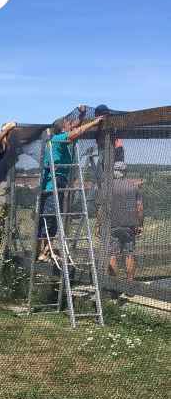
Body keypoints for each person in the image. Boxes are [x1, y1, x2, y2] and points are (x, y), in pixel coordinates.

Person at [37, 113, 104, 261]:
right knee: (50, 216)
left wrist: (82, 114)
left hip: (59, 181)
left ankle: (48, 250)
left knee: (54, 216)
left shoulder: (57, 138)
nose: (71, 125)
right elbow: (76, 132)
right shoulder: (57, 139)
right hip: (53, 183)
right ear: (63, 128)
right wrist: (93, 123)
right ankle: (44, 252)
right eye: (68, 124)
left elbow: (76, 128)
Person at [99, 162, 144, 286]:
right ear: (125, 172)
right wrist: (140, 224)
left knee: (112, 255)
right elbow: (139, 208)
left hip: (111, 225)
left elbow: (101, 208)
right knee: (129, 254)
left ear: (114, 171)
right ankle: (130, 284)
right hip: (129, 226)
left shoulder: (106, 187)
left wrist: (98, 225)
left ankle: (114, 286)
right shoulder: (133, 187)